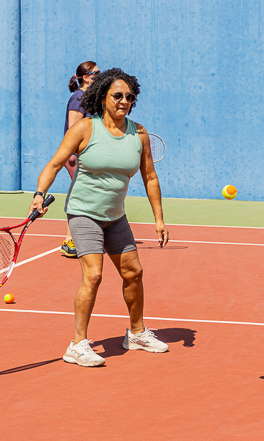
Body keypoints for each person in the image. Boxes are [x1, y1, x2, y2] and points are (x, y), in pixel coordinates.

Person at [29, 68, 170, 367]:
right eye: (117, 95)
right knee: (93, 275)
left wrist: (159, 219)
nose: (124, 101)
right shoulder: (85, 128)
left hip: (115, 216)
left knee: (134, 273)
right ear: (103, 96)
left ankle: (136, 334)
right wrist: (39, 194)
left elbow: (150, 177)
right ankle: (77, 344)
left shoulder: (139, 133)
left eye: (129, 97)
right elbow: (54, 164)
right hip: (83, 212)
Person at [59, 62, 99, 258]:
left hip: (87, 155)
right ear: (85, 77)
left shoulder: (90, 98)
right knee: (80, 197)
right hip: (76, 156)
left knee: (87, 196)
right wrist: (77, 154)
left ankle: (79, 237)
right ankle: (70, 240)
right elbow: (73, 131)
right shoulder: (78, 99)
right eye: (95, 73)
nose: (99, 75)